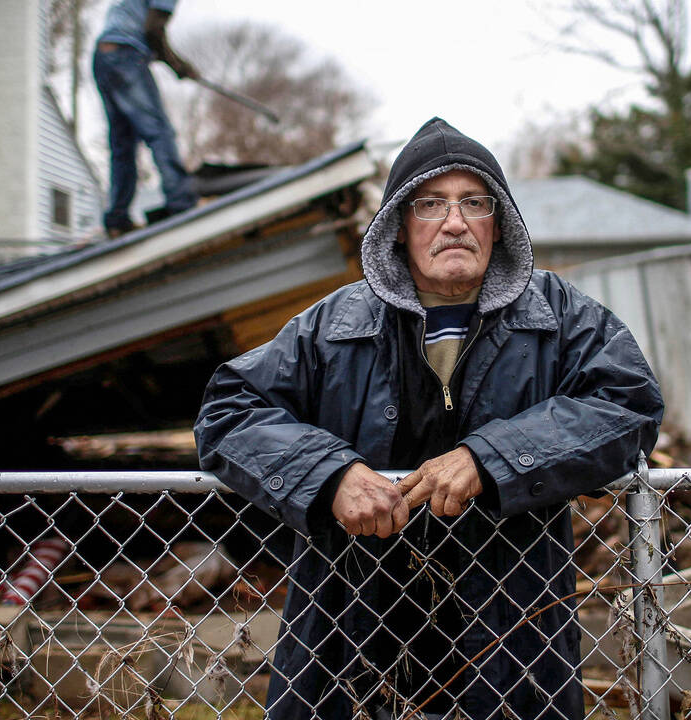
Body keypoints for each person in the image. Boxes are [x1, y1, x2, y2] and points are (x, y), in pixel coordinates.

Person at [196, 118, 663, 720]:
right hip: (350, 628)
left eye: (475, 202)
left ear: (500, 224)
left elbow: (628, 400)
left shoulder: (560, 316)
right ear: (398, 225)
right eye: (430, 204)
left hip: (511, 629)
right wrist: (330, 475)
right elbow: (229, 408)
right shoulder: (333, 325)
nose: (454, 221)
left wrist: (490, 459)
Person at [92, 0, 199, 238]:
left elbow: (147, 33)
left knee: (122, 143)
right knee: (158, 131)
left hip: (102, 56)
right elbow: (153, 31)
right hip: (126, 56)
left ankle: (117, 218)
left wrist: (174, 62)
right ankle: (181, 202)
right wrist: (177, 65)